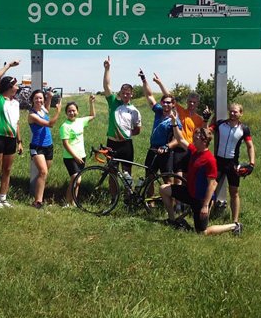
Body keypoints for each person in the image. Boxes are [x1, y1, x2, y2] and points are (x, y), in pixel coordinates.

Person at [160, 111, 243, 236]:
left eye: (196, 138)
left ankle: (234, 225)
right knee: (163, 189)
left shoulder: (210, 160)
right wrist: (174, 123)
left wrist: (205, 206)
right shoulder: (194, 150)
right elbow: (180, 139)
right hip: (189, 193)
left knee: (202, 232)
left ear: (204, 141)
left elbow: (212, 185)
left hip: (201, 200)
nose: (194, 140)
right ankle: (172, 219)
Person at [153, 73, 210, 211]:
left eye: (194, 102)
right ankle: (178, 205)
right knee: (178, 177)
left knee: (188, 177)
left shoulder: (199, 118)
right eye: (189, 101)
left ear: (197, 104)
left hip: (191, 150)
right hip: (179, 147)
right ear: (187, 102)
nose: (191, 104)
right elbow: (169, 97)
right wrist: (160, 83)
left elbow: (205, 133)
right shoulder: (180, 111)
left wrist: (207, 119)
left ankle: (187, 202)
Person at [210, 103, 255, 223]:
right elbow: (207, 133)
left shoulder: (244, 129)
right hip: (218, 162)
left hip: (233, 164)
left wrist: (252, 164)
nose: (232, 113)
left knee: (234, 193)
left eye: (235, 112)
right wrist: (208, 119)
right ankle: (205, 217)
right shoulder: (220, 124)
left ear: (241, 114)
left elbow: (250, 146)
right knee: (210, 188)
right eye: (230, 111)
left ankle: (235, 222)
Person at [103, 56, 141, 191]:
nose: (125, 95)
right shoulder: (114, 103)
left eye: (128, 94)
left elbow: (137, 129)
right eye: (123, 93)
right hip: (111, 144)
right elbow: (106, 86)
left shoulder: (135, 111)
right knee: (112, 174)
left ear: (131, 94)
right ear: (120, 93)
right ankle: (113, 199)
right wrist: (107, 69)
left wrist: (126, 134)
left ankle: (128, 199)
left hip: (126, 145)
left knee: (127, 175)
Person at [0, 60, 23, 208]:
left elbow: (17, 123)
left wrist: (19, 141)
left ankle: (4, 197)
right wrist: (9, 65)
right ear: (9, 86)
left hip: (11, 139)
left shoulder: (16, 103)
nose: (17, 86)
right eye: (15, 84)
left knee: (7, 169)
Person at [139, 69, 181, 182]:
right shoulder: (158, 111)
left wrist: (167, 146)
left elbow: (178, 139)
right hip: (152, 149)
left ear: (173, 105)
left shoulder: (175, 119)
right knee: (149, 178)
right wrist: (144, 79)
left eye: (168, 102)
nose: (166, 105)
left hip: (166, 152)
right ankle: (150, 200)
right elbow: (149, 96)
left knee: (167, 180)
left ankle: (167, 200)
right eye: (164, 102)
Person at [59, 95, 96, 207]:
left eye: (74, 111)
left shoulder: (80, 121)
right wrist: (75, 156)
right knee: (76, 179)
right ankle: (66, 202)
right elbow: (65, 144)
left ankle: (73, 202)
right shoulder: (64, 126)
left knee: (77, 181)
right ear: (66, 113)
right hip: (70, 157)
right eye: (69, 111)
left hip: (82, 156)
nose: (72, 113)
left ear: (77, 112)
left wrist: (91, 103)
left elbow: (92, 116)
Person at [28, 88, 62, 209]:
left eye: (40, 98)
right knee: (43, 172)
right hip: (37, 147)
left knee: (44, 174)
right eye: (36, 98)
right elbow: (50, 124)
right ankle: (38, 202)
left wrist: (49, 97)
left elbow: (46, 109)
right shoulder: (32, 114)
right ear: (32, 99)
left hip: (49, 146)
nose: (39, 100)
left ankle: (40, 197)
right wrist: (58, 112)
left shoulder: (42, 109)